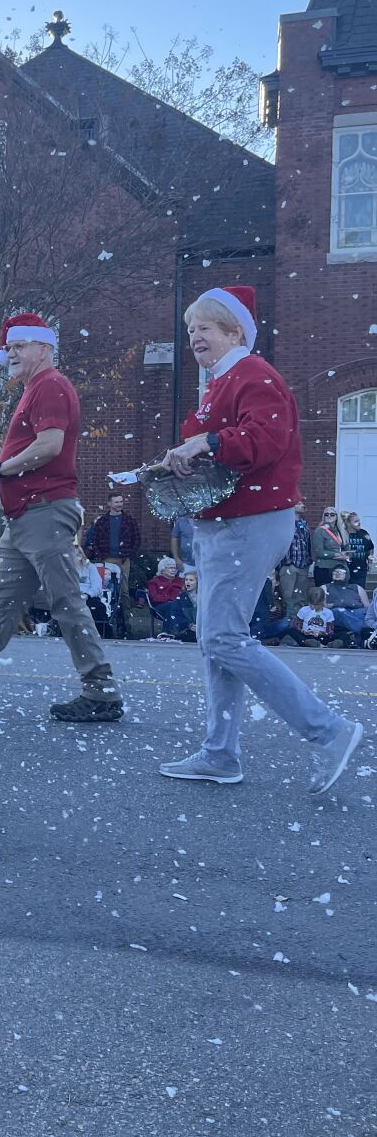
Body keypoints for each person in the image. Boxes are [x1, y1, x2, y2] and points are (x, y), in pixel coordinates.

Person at [158, 285, 362, 795]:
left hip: (246, 522)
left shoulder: (253, 375)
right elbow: (231, 450)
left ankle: (330, 731)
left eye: (205, 327)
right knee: (215, 642)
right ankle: (219, 754)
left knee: (223, 638)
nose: (194, 337)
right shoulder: (224, 382)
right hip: (226, 522)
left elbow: (267, 441)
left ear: (234, 330)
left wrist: (206, 441)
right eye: (190, 329)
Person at [0, 314, 122, 721]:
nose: (11, 353)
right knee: (1, 600)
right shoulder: (37, 387)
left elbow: (50, 445)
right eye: (9, 348)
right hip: (26, 515)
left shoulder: (50, 385)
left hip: (45, 510)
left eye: (20, 346)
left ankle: (101, 690)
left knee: (66, 601)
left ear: (44, 348)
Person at [83, 492, 142, 606]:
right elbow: (95, 540)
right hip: (107, 559)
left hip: (124, 559)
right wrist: (100, 554)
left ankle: (125, 620)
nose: (120, 504)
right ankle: (108, 613)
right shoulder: (102, 521)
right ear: (109, 503)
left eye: (121, 501)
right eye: (116, 502)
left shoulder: (129, 520)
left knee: (124, 591)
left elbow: (137, 539)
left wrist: (130, 553)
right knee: (106, 589)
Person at [277, 502, 312, 616]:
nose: (303, 505)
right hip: (289, 564)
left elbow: (308, 543)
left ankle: (298, 622)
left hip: (303, 564)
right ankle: (287, 622)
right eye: (299, 504)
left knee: (301, 597)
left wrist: (309, 560)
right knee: (288, 596)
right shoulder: (283, 523)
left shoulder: (304, 523)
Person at [145, 557, 193, 638]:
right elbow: (154, 598)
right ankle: (167, 631)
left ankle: (190, 630)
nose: (173, 570)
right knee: (173, 605)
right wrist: (170, 599)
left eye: (174, 568)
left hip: (180, 606)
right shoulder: (154, 582)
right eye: (170, 568)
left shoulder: (181, 581)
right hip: (159, 607)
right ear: (162, 569)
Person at [325, 564, 370, 645]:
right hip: (336, 613)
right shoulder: (325, 587)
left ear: (347, 575)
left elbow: (367, 606)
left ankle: (360, 640)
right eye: (335, 572)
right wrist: (338, 603)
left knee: (366, 612)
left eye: (341, 572)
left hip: (356, 612)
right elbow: (321, 606)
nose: (337, 573)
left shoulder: (357, 587)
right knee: (340, 611)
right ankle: (368, 632)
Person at [311, 506, 347, 586]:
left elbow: (347, 547)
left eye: (332, 514)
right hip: (324, 568)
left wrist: (347, 555)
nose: (329, 516)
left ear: (337, 516)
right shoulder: (319, 531)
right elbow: (319, 552)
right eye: (326, 514)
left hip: (340, 568)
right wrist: (336, 555)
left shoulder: (341, 532)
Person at [343, 510, 373, 588]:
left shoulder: (364, 533)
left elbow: (370, 548)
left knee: (359, 590)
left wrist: (369, 562)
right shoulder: (343, 534)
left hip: (361, 569)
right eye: (356, 521)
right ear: (348, 523)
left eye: (359, 520)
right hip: (346, 568)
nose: (359, 523)